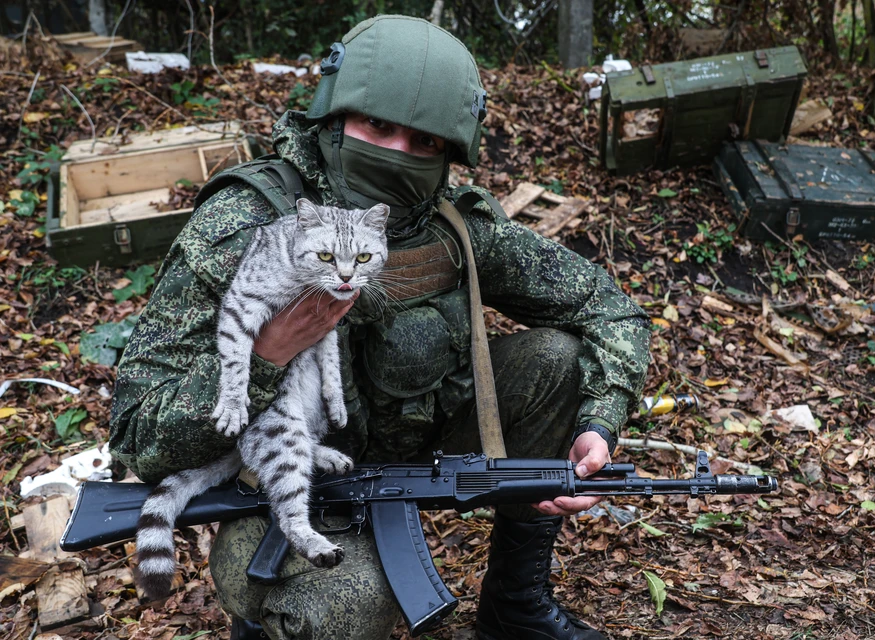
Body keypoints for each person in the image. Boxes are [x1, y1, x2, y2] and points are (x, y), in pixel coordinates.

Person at [109, 14, 651, 640]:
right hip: (281, 475)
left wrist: (597, 424)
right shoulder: (244, 227)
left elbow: (609, 309)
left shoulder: (450, 230)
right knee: (347, 607)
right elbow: (135, 432)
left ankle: (517, 606)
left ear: (450, 153)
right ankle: (266, 618)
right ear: (335, 116)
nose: (397, 154)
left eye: (424, 143)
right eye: (379, 127)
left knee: (557, 359)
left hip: (411, 447)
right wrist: (265, 355)